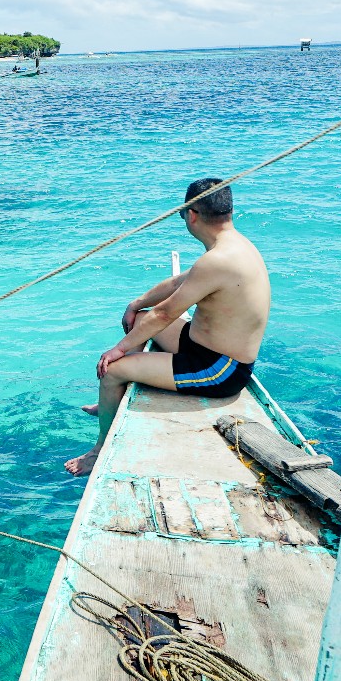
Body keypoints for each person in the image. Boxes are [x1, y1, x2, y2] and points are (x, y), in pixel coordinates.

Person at [63, 177, 271, 476]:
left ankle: (99, 449)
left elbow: (164, 314)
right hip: (203, 346)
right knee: (140, 318)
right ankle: (111, 403)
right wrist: (135, 304)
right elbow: (177, 283)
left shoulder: (218, 260)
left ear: (192, 214)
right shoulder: (234, 247)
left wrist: (118, 350)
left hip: (219, 369)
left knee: (112, 371)